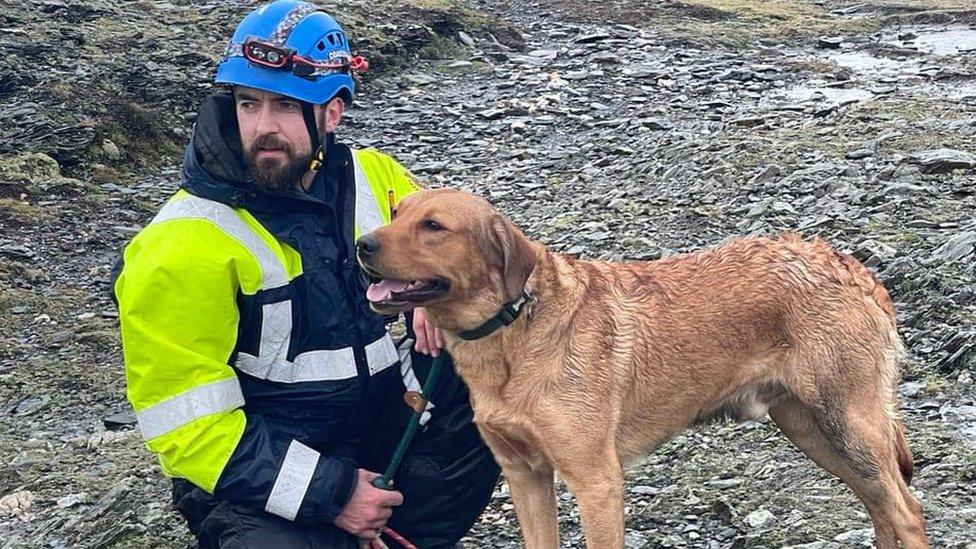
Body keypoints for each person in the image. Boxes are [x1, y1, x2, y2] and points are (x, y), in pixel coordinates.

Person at [112, 1, 499, 547]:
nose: (263, 127)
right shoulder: (178, 244)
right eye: (249, 104)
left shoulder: (371, 176)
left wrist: (429, 302)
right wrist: (335, 494)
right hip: (265, 475)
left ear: (332, 112)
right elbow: (188, 427)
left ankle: (402, 535)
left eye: (285, 107)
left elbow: (457, 251)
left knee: (495, 363)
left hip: (382, 430)